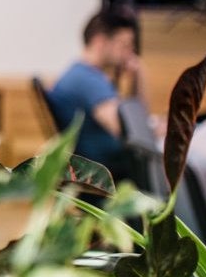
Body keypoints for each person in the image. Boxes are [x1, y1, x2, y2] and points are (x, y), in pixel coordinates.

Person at [47, 10, 152, 184]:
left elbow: (131, 120)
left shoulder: (82, 74)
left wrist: (135, 76)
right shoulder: (89, 81)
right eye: (124, 45)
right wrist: (141, 72)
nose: (129, 54)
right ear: (100, 41)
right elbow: (128, 130)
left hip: (100, 168)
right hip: (108, 173)